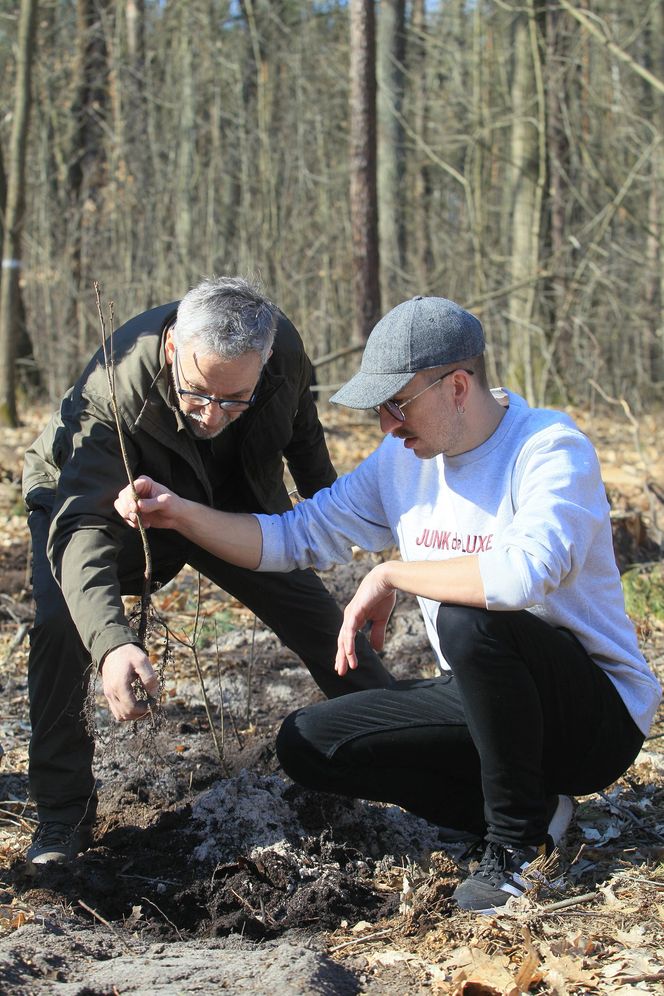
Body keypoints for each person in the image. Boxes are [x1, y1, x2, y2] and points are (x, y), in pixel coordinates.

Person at [115, 295, 661, 914]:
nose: (387, 426)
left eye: (397, 405)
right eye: (380, 409)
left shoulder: (549, 450)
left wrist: (395, 572)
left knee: (470, 618)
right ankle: (536, 809)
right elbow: (292, 536)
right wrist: (180, 514)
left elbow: (524, 576)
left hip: (593, 718)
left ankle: (513, 851)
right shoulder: (402, 463)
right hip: (492, 700)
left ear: (457, 385)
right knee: (310, 743)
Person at [22, 275, 395, 872]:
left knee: (323, 625)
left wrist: (378, 562)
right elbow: (81, 530)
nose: (212, 415)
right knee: (64, 622)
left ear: (266, 359)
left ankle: (410, 752)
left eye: (234, 400)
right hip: (102, 506)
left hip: (229, 506)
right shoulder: (114, 389)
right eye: (197, 393)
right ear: (172, 348)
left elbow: (307, 452)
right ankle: (63, 815)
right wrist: (114, 643)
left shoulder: (283, 353)